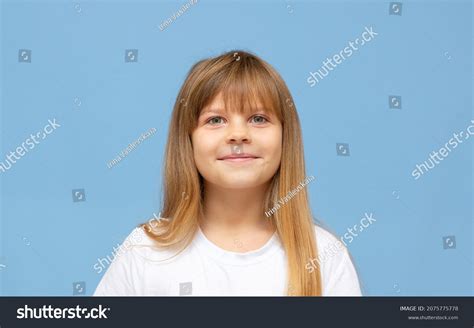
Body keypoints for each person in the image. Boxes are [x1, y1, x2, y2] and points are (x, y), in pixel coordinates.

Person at [94, 50, 362, 296]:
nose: (238, 134)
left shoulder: (325, 255)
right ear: (188, 140)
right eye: (215, 120)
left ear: (285, 136)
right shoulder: (144, 251)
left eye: (258, 118)